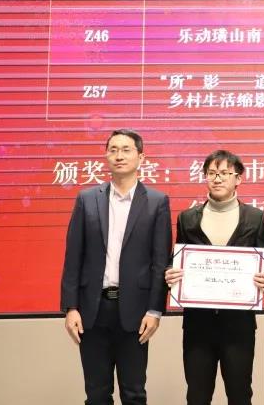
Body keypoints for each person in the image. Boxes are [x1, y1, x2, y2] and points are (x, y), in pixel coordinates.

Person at [60, 128, 172, 405]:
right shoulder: (87, 199)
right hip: (93, 310)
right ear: (106, 156)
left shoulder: (157, 201)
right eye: (113, 150)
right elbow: (73, 257)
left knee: (134, 393)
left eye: (126, 150)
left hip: (135, 311)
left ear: (141, 157)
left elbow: (160, 261)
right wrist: (71, 307)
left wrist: (155, 310)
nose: (119, 156)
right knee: (96, 394)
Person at [163, 150, 264, 405]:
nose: (217, 178)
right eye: (211, 173)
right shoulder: (187, 218)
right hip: (198, 325)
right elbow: (176, 259)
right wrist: (170, 273)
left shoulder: (255, 217)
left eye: (224, 173)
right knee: (197, 395)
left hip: (239, 325)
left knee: (240, 394)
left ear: (238, 178)